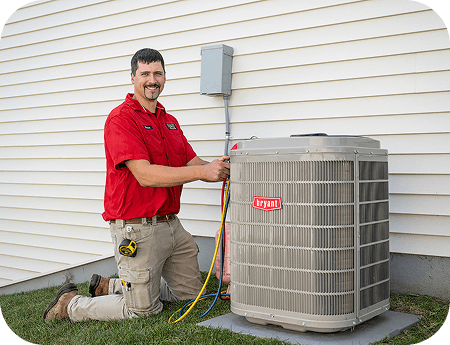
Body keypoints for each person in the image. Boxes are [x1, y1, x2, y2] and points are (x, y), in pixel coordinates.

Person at [43, 48, 230, 321]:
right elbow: (145, 175)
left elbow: (190, 160)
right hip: (137, 227)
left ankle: (112, 285)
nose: (152, 79)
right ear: (133, 77)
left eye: (157, 73)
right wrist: (203, 172)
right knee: (141, 311)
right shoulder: (121, 119)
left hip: (170, 224)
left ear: (165, 77)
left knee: (192, 296)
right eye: (145, 73)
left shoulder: (169, 121)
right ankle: (71, 305)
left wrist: (219, 166)